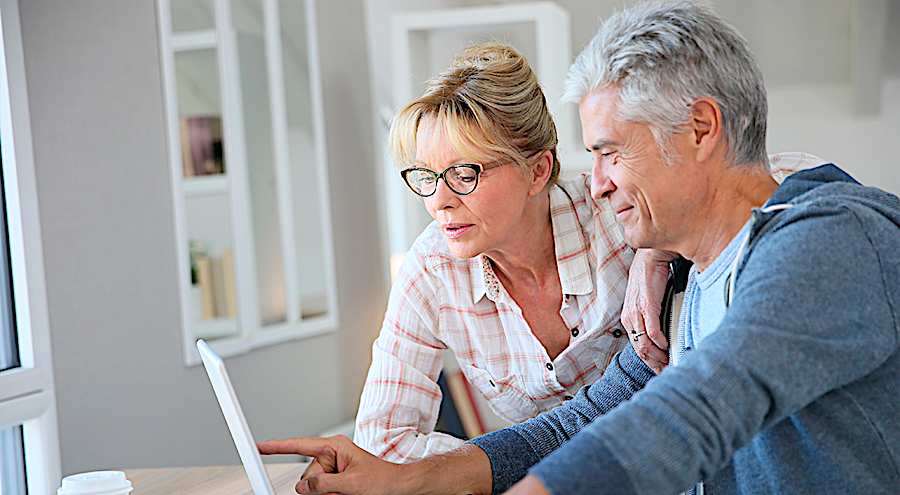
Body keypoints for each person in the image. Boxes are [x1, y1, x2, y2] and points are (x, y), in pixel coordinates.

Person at [258, 1, 900, 494]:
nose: (594, 184)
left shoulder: (828, 240)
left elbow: (700, 406)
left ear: (700, 129)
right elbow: (575, 423)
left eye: (610, 153)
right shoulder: (690, 279)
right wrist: (405, 479)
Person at [352, 42, 664, 463]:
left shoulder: (613, 214)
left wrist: (659, 246)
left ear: (537, 171)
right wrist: (493, 468)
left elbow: (761, 180)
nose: (438, 201)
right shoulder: (432, 268)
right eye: (426, 176)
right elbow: (382, 441)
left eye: (464, 173)